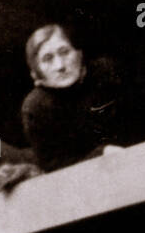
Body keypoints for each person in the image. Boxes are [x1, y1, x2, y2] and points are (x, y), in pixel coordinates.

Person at [20, 24, 125, 172]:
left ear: (79, 53)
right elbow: (55, 166)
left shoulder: (107, 74)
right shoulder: (36, 107)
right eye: (48, 59)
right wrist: (101, 155)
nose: (60, 65)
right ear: (36, 73)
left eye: (65, 52)